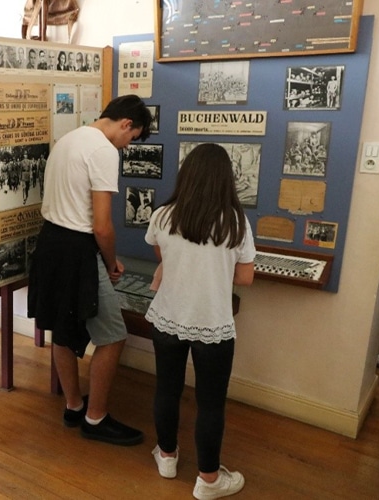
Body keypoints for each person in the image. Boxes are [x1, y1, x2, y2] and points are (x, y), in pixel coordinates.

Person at [27, 95, 153, 447]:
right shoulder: (103, 151)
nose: (128, 146)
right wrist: (111, 262)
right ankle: (95, 419)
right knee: (113, 335)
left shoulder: (68, 138)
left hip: (50, 242)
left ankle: (73, 406)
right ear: (126, 124)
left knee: (63, 330)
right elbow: (102, 226)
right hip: (77, 248)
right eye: (132, 137)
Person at [143, 143, 254, 499]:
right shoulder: (235, 221)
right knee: (210, 402)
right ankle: (208, 480)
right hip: (212, 322)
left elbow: (163, 255)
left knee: (167, 389)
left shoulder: (162, 215)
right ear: (226, 179)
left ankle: (167, 456)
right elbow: (246, 278)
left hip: (168, 316)